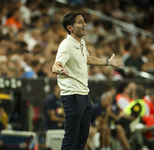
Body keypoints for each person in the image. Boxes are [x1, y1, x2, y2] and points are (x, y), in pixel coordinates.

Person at [52, 12, 123, 150]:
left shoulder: (81, 42)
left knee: (82, 138)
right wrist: (59, 69)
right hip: (72, 96)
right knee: (71, 136)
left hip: (84, 95)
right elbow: (56, 64)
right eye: (80, 22)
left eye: (83, 21)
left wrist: (108, 62)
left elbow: (88, 59)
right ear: (70, 28)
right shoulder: (66, 45)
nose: (84, 24)